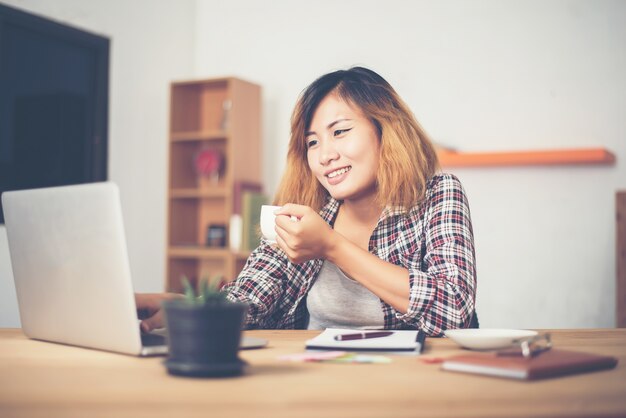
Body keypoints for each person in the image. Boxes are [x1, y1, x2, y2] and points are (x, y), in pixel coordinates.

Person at [137, 67, 477, 336]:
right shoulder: (304, 213)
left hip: (405, 388)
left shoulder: (437, 194)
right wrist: (187, 306)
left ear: (385, 130)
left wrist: (332, 247)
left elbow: (455, 310)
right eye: (312, 142)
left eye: (340, 131)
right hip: (312, 382)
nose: (324, 155)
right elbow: (250, 298)